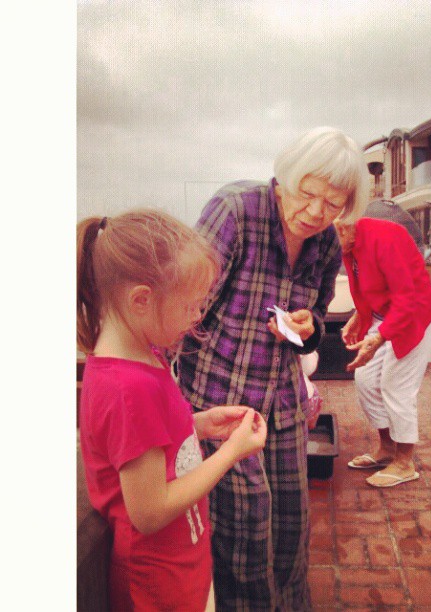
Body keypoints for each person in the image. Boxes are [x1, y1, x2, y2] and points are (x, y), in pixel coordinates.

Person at [178, 126, 369, 610]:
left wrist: (309, 326)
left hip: (283, 406)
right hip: (219, 402)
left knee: (290, 530)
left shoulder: (326, 243)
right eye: (307, 193)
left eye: (332, 204)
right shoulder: (235, 213)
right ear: (286, 176)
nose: (316, 212)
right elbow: (182, 305)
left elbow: (319, 313)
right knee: (241, 534)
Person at [77, 210, 267, 611]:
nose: (197, 316)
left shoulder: (144, 356)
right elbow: (150, 511)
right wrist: (231, 454)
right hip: (156, 581)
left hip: (180, 563)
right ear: (141, 300)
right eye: (191, 306)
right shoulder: (129, 389)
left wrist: (199, 426)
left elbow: (144, 444)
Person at [335, 216, 431, 488]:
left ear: (342, 227)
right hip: (383, 316)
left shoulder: (385, 237)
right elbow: (366, 287)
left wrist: (379, 338)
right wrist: (359, 317)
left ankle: (405, 462)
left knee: (396, 386)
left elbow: (406, 298)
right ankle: (386, 449)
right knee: (366, 380)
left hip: (414, 315)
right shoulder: (348, 243)